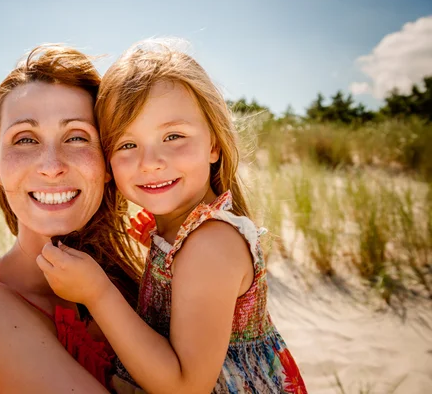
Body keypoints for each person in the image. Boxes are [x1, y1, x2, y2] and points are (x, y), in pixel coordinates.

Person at [37, 40, 308, 394]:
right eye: (127, 145)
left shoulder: (209, 245)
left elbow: (185, 386)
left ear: (213, 143)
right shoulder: (187, 236)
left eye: (173, 136)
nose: (150, 162)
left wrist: (98, 293)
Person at [0, 44, 144, 394]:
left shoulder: (131, 282)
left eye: (77, 137)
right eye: (26, 139)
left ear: (107, 162)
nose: (51, 166)